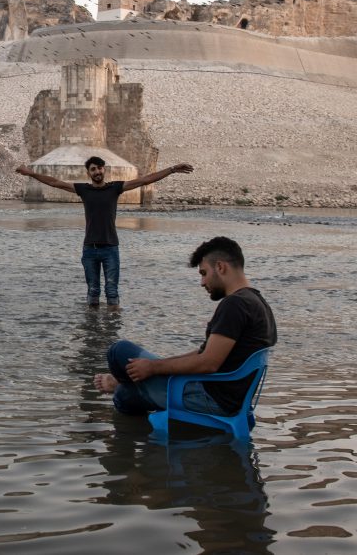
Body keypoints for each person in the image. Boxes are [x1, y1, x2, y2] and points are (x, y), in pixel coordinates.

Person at [93, 236, 277, 417]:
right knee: (124, 396)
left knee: (118, 350)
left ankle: (123, 384)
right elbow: (203, 353)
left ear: (220, 267)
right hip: (232, 399)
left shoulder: (235, 305)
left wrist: (154, 368)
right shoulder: (259, 303)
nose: (202, 283)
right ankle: (126, 390)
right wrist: (154, 365)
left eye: (204, 273)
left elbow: (208, 363)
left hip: (212, 398)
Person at [15, 156, 193, 307]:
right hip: (89, 249)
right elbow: (55, 183)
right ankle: (92, 331)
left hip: (110, 248)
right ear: (89, 173)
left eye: (99, 168)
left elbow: (145, 180)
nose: (97, 172)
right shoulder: (83, 190)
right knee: (93, 291)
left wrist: (173, 169)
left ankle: (111, 331)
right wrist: (30, 173)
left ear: (104, 170)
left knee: (112, 292)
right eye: (93, 169)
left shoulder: (114, 188)